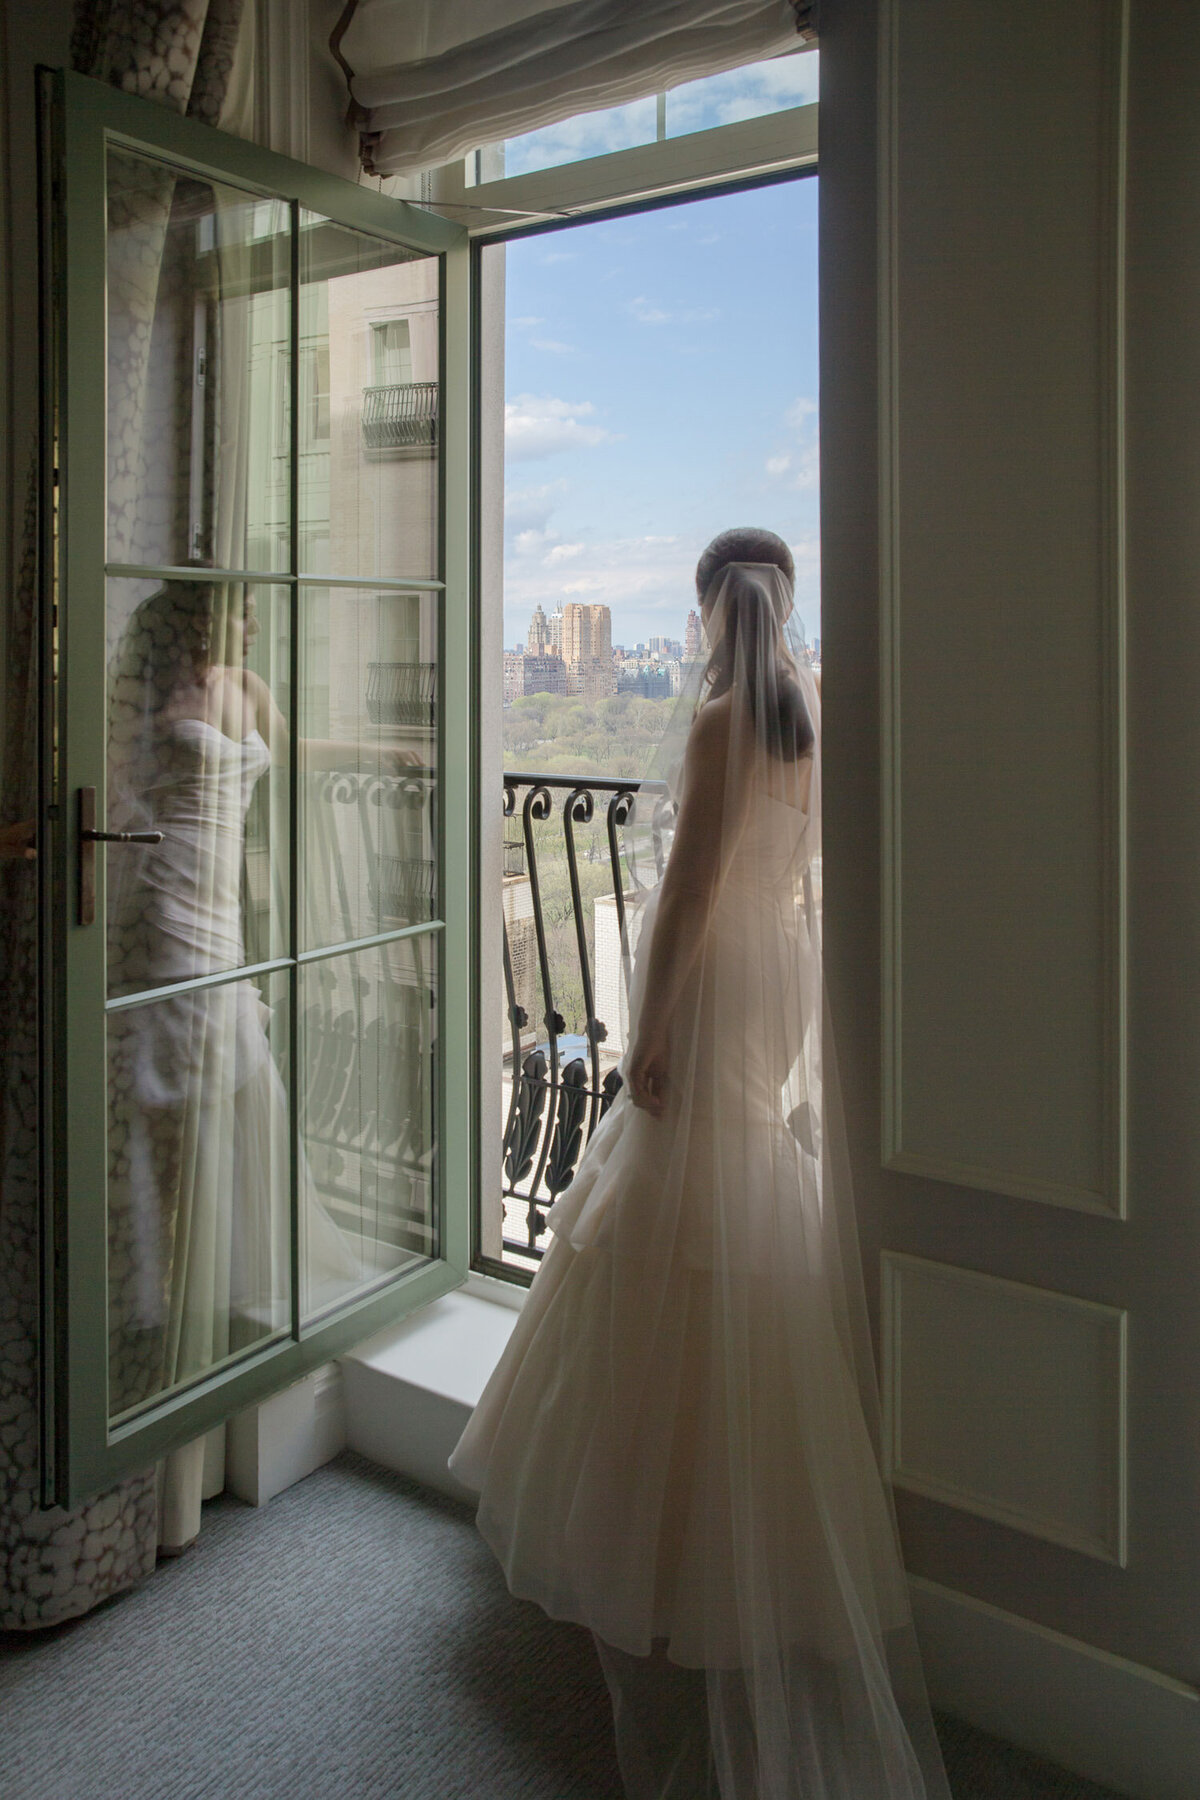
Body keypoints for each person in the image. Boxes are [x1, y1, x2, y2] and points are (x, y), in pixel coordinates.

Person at [450, 528, 952, 1799]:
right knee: (736, 1197)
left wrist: (642, 1033)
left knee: (663, 1189)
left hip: (721, 974)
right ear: (784, 605)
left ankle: (649, 1546)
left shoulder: (720, 720)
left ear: (706, 611)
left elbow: (679, 897)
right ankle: (719, 1543)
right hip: (785, 970)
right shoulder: (817, 709)